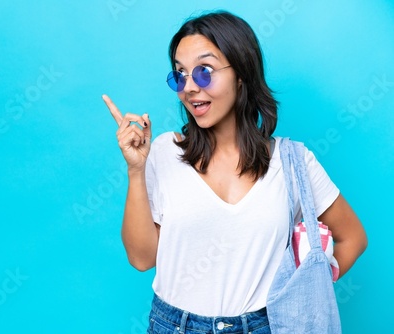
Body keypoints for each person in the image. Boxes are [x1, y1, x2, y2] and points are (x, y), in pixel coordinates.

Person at [102, 10, 367, 334]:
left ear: (241, 74)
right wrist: (135, 171)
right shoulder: (164, 151)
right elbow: (142, 258)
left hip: (267, 326)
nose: (189, 88)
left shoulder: (293, 161)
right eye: (180, 75)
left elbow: (352, 237)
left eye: (204, 72)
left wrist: (305, 291)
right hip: (175, 326)